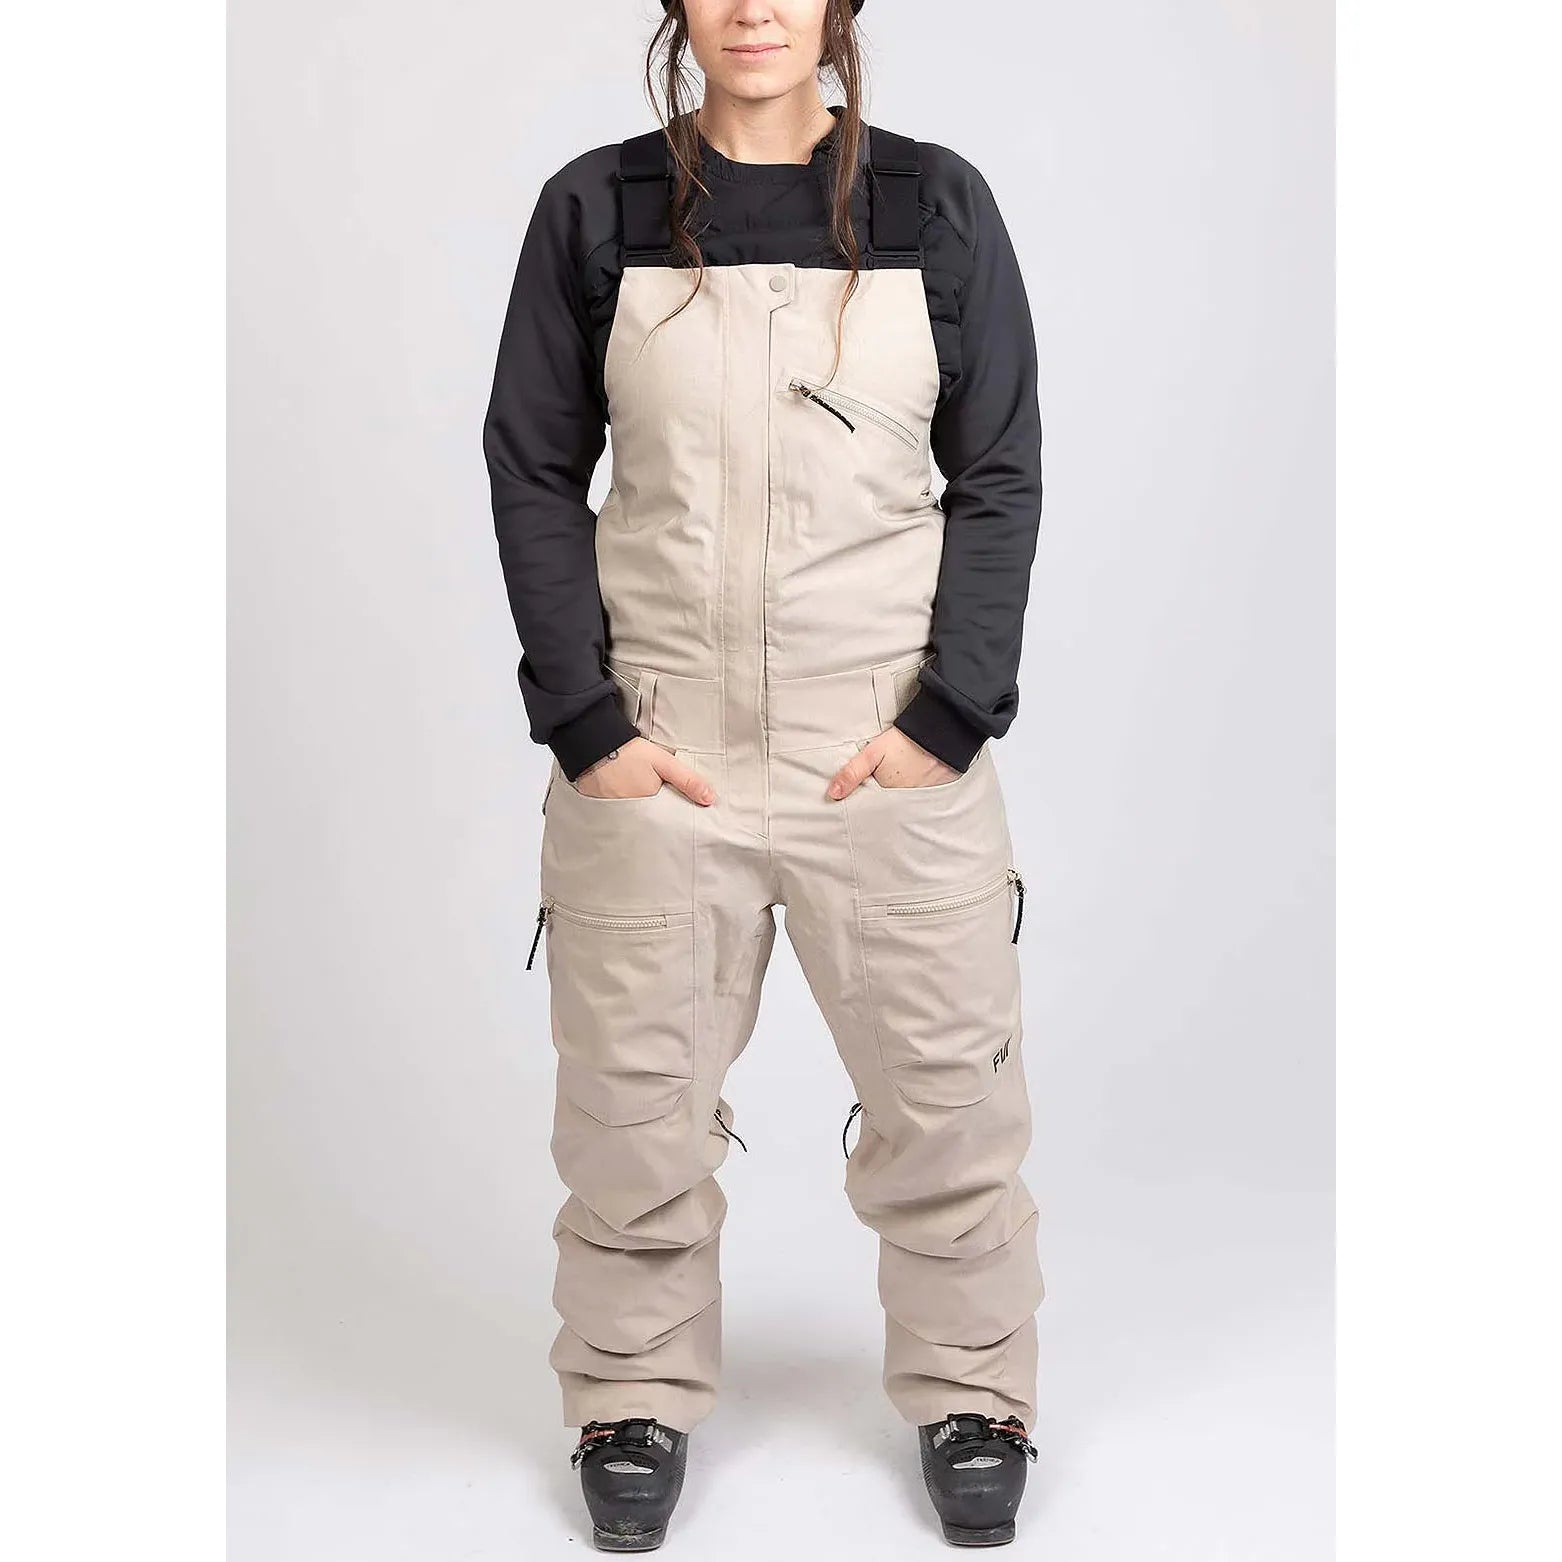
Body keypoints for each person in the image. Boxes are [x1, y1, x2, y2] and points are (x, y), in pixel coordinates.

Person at [482, 0, 1044, 1548]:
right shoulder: (596, 209)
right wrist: (587, 723)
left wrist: (951, 714)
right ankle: (627, 1392)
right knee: (631, 1110)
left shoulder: (934, 206)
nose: (752, 8)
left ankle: (975, 1393)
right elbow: (532, 462)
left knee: (949, 1101)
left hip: (886, 749)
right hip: (661, 755)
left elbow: (999, 466)